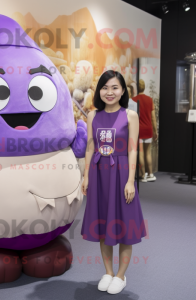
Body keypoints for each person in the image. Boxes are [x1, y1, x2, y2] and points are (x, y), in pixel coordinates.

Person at [81, 70, 147, 295]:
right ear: (99, 90)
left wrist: (130, 181)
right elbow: (90, 148)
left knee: (124, 226)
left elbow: (132, 150)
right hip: (100, 175)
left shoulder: (130, 115)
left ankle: (121, 275)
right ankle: (108, 272)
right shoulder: (92, 115)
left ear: (122, 91)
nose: (109, 92)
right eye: (105, 87)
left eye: (114, 87)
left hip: (121, 175)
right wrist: (86, 175)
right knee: (103, 227)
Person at [132, 79, 158, 182]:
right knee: (148, 153)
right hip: (148, 129)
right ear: (144, 87)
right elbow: (153, 118)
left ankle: (143, 175)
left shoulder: (133, 100)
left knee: (141, 152)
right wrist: (156, 131)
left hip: (138, 130)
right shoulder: (150, 100)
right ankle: (151, 174)